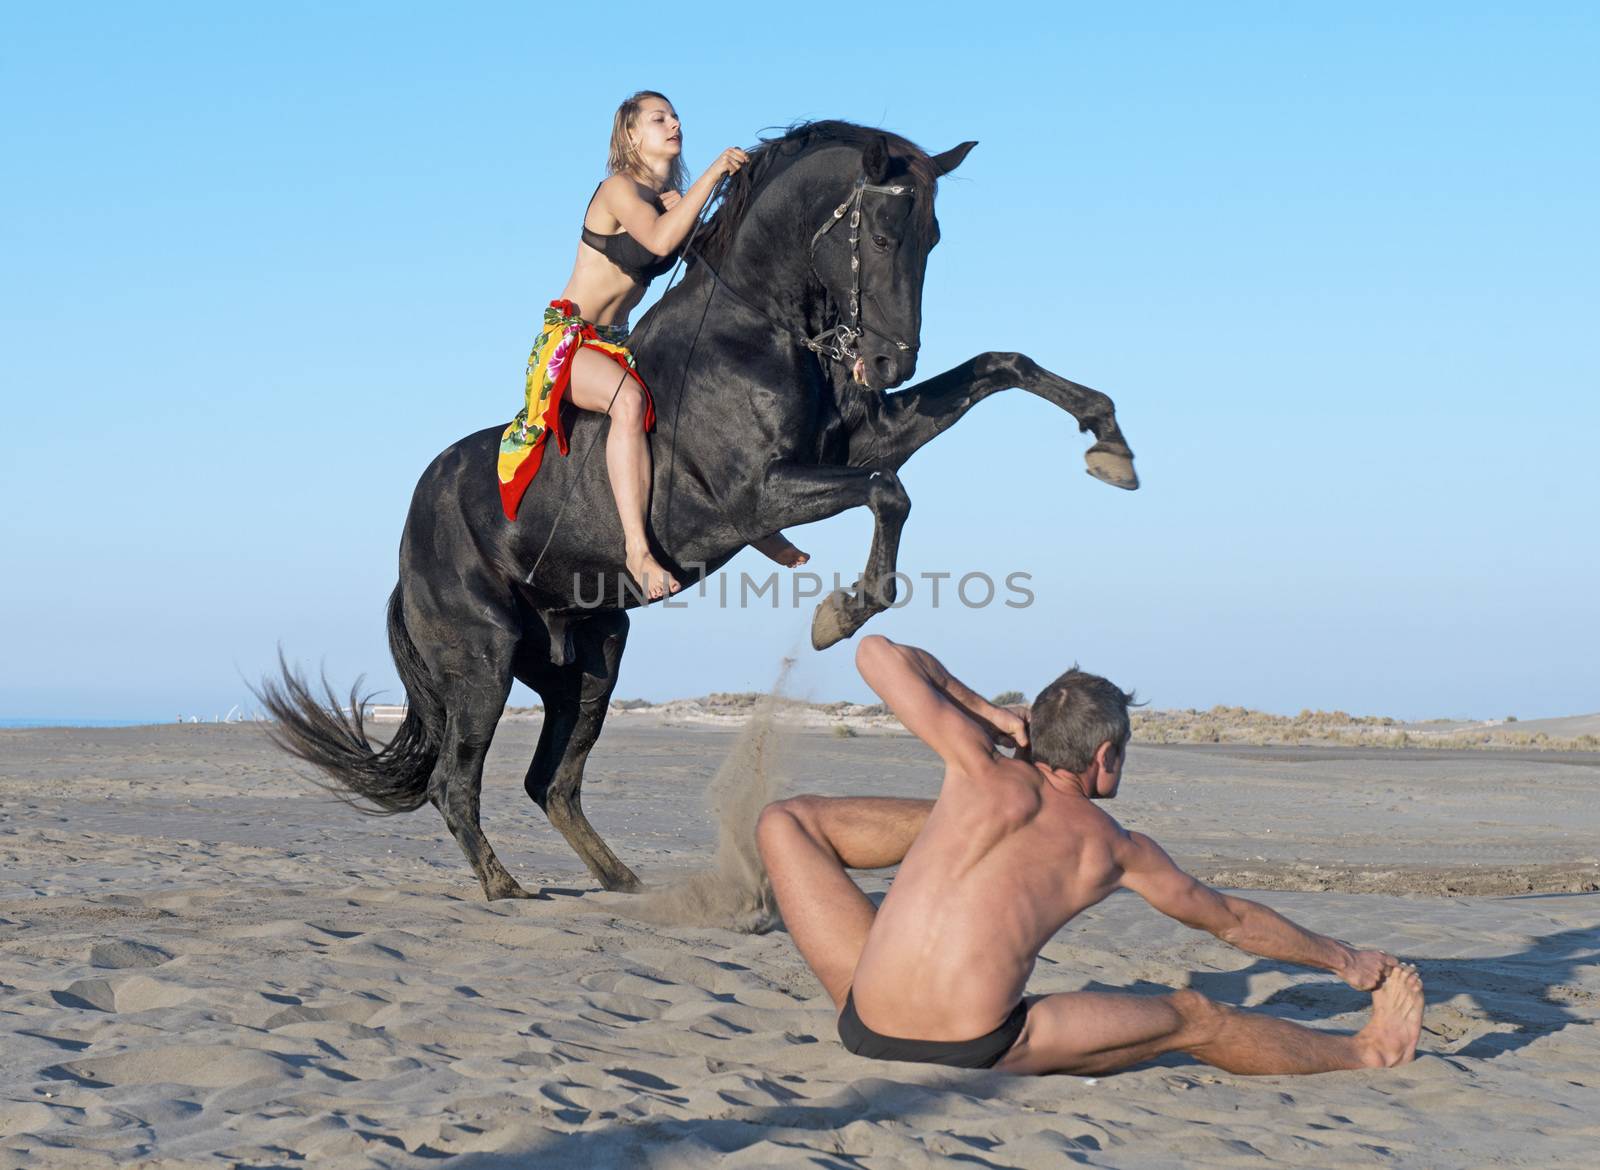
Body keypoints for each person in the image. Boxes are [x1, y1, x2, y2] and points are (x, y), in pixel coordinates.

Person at [756, 635, 1426, 1075]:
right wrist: (1346, 960)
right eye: (1122, 753)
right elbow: (1230, 921)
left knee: (786, 821)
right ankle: (1370, 1052)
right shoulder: (1117, 850)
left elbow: (876, 651)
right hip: (975, 1048)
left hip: (863, 1020)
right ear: (1105, 756)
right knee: (1196, 1017)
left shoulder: (974, 768)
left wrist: (981, 710)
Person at [496, 90, 808, 600]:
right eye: (659, 118)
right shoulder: (618, 189)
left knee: (697, 411)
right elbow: (661, 242)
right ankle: (637, 551)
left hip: (619, 343)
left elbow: (713, 259)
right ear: (631, 135)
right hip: (570, 343)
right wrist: (709, 176)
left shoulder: (668, 202)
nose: (674, 123)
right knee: (630, 401)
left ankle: (753, 526)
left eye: (676, 116)